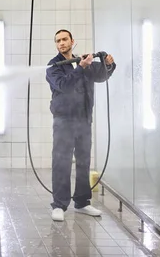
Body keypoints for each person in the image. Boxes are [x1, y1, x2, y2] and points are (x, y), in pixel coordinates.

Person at [46, 29, 116, 221]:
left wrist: (109, 64)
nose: (61, 43)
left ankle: (82, 202)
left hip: (84, 120)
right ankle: (59, 205)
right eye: (58, 41)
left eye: (64, 39)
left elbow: (102, 76)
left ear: (72, 41)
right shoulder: (54, 66)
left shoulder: (82, 62)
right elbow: (64, 85)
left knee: (84, 161)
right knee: (62, 162)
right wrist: (80, 68)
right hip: (64, 122)